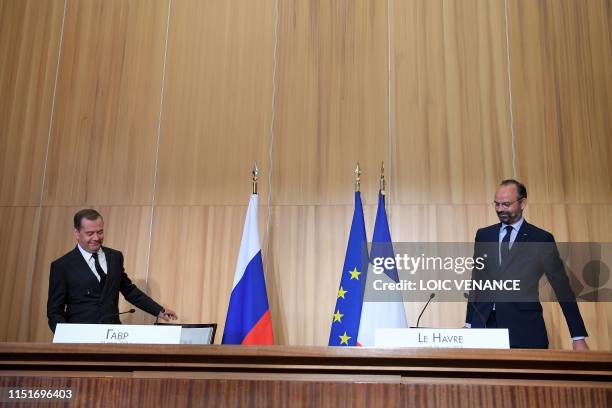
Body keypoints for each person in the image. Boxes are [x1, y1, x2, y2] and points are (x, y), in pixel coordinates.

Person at [465, 180, 588, 350]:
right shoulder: (484, 235)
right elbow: (477, 281)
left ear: (523, 203)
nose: (500, 209)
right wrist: (469, 324)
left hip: (524, 330)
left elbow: (562, 288)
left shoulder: (541, 239)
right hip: (484, 327)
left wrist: (577, 336)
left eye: (506, 204)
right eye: (497, 204)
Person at [47, 209, 177, 332]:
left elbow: (129, 291)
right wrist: (65, 338)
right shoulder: (62, 266)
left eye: (100, 232)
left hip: (112, 334)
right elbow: (54, 312)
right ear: (77, 233)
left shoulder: (115, 257)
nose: (96, 238)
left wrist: (159, 310)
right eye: (90, 233)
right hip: (80, 339)